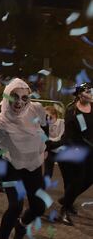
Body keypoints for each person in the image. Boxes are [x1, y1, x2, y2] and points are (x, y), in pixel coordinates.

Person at [0, 78, 47, 239]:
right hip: (12, 166)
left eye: (24, 98)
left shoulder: (36, 109)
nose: (19, 102)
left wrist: (45, 146)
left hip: (33, 164)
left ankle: (21, 225)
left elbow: (45, 126)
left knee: (39, 207)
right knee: (15, 206)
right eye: (14, 96)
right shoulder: (0, 123)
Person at [58, 82, 93, 226]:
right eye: (89, 92)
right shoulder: (72, 110)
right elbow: (69, 135)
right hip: (73, 150)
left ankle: (67, 199)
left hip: (90, 149)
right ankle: (64, 210)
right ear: (80, 94)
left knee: (89, 178)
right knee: (74, 181)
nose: (91, 94)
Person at [43, 106, 65, 179]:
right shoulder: (45, 125)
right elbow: (44, 138)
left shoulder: (62, 123)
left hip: (61, 150)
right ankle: (43, 187)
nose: (47, 119)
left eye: (49, 117)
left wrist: (50, 141)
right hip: (50, 150)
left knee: (65, 172)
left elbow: (61, 137)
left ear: (55, 115)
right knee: (47, 172)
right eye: (45, 117)